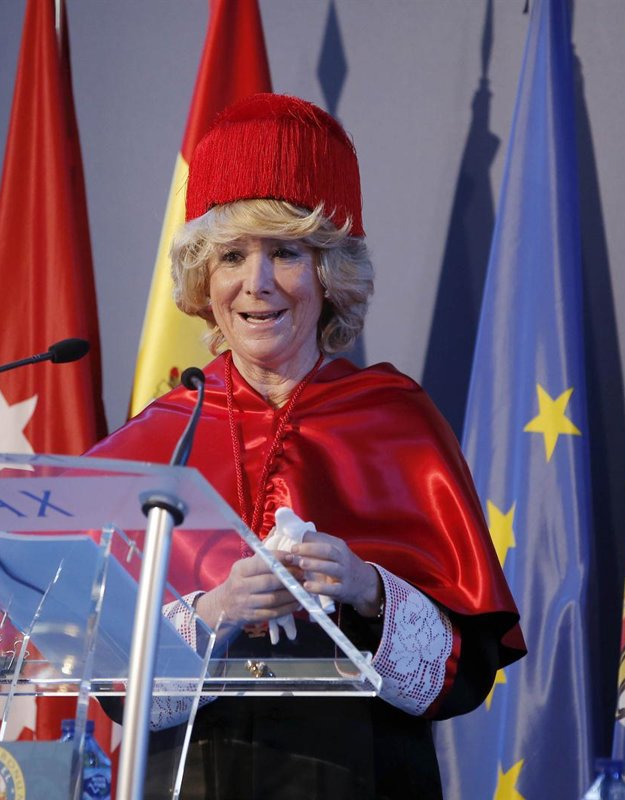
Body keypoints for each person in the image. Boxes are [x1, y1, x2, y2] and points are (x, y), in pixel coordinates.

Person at [88, 93, 525, 799]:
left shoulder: (395, 423)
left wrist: (368, 588)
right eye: (232, 256)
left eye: (286, 252)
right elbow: (112, 683)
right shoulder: (159, 440)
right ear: (204, 277)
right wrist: (214, 612)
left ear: (329, 272)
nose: (256, 284)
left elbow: (460, 677)